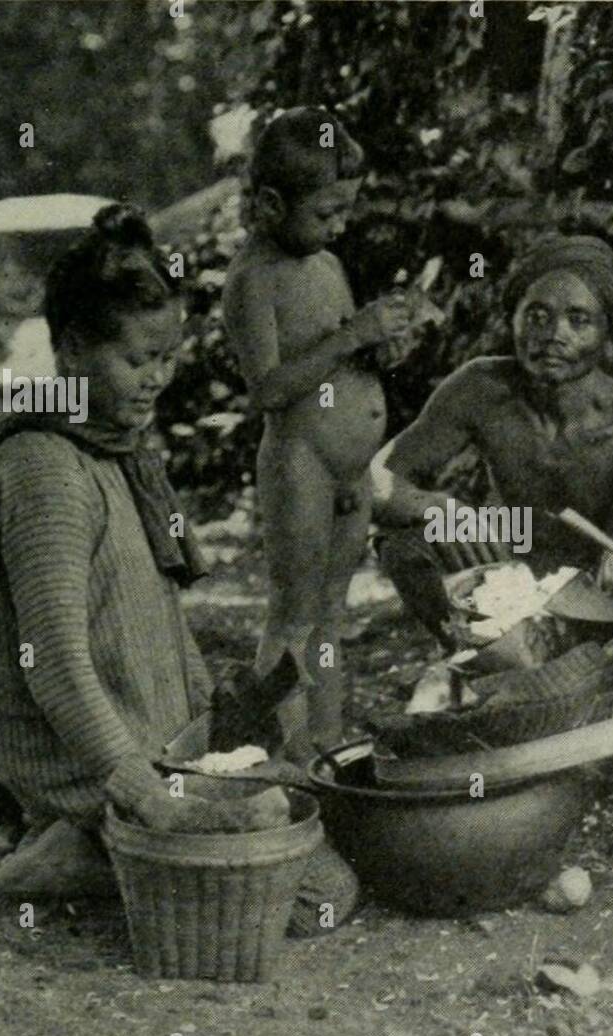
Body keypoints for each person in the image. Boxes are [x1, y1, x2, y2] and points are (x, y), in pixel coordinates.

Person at [0, 204, 357, 930]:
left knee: (320, 823)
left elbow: (154, 619)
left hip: (155, 750)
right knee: (313, 900)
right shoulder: (44, 472)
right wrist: (140, 790)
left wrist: (218, 724)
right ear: (73, 351)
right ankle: (72, 853)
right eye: (136, 360)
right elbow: (51, 659)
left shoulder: (116, 451)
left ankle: (111, 852)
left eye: (167, 358)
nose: (156, 380)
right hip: (91, 766)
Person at [373, 233, 613, 645]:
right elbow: (374, 480)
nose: (554, 334)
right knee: (405, 545)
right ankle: (480, 660)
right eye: (537, 316)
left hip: (603, 590)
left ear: (611, 337)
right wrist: (434, 506)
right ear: (512, 320)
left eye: (579, 320)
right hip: (508, 573)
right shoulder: (480, 387)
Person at [223, 107, 413, 762]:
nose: (339, 226)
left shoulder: (327, 264)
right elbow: (269, 389)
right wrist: (354, 335)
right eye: (326, 214)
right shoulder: (253, 281)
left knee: (333, 612)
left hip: (349, 469)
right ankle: (284, 754)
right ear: (272, 203)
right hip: (300, 461)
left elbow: (337, 348)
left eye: (344, 213)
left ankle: (325, 747)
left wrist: (379, 350)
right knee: (295, 614)